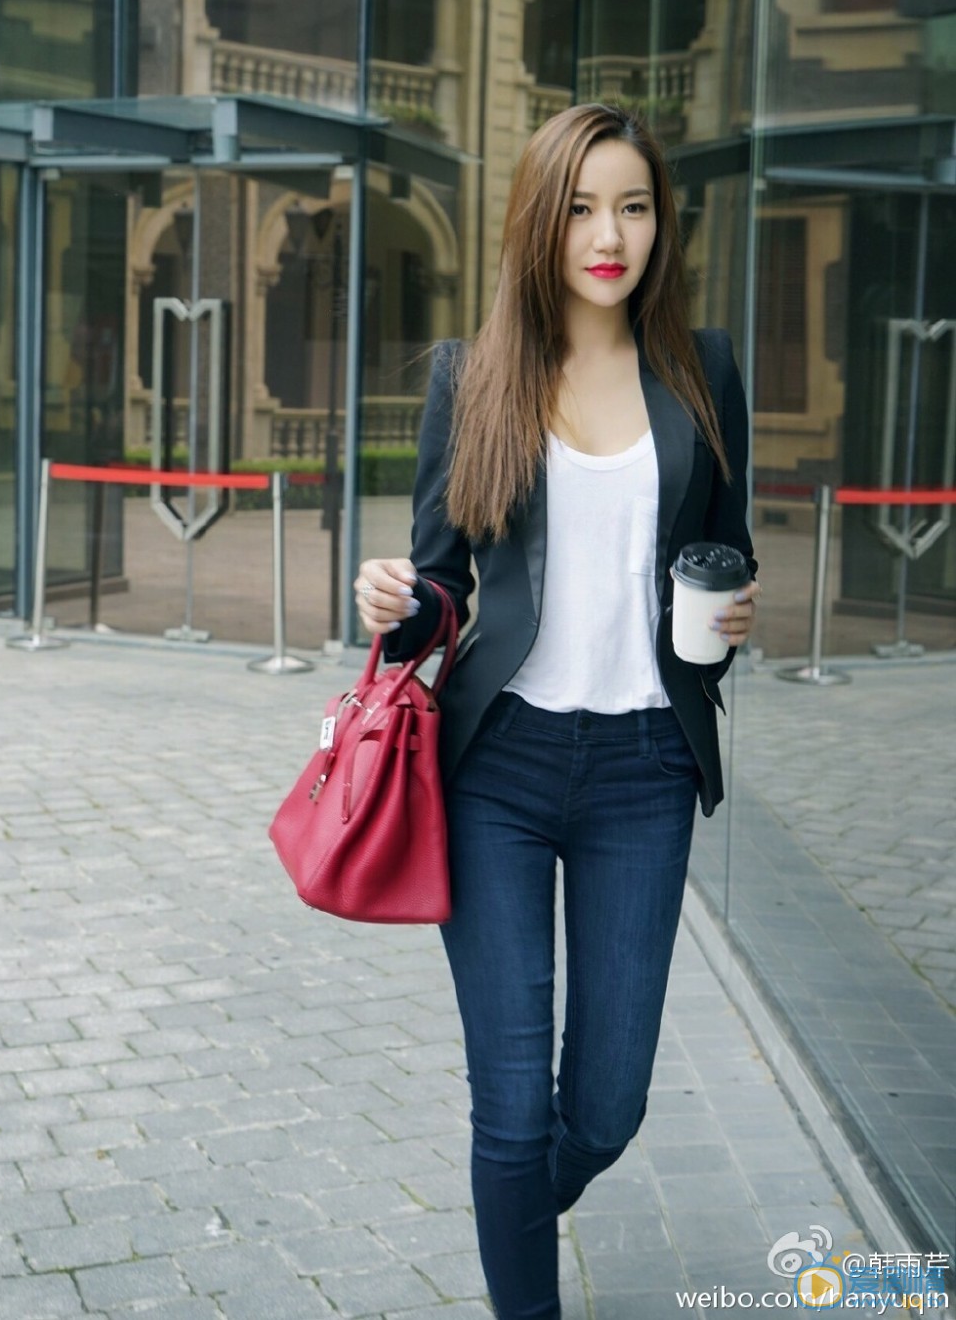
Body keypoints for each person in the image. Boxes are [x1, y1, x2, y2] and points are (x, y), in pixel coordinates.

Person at [354, 103, 759, 1320]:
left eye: (633, 204)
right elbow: (442, 588)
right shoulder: (471, 376)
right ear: (542, 218)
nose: (609, 231)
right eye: (583, 204)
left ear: (660, 223)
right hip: (500, 772)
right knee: (511, 1100)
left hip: (644, 768)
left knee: (608, 1104)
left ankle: (515, 1209)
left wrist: (730, 619)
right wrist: (393, 602)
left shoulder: (705, 369)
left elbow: (722, 555)